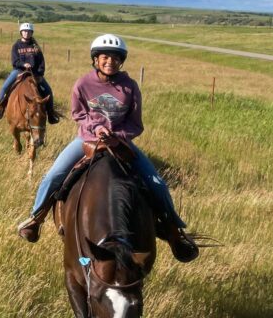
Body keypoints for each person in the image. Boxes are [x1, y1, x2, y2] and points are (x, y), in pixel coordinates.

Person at [16, 34, 199, 263]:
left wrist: (117, 136)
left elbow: (136, 124)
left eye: (115, 58)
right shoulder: (83, 84)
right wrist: (96, 128)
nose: (109, 61)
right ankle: (36, 219)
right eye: (104, 57)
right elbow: (78, 113)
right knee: (54, 175)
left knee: (157, 183)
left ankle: (174, 233)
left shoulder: (130, 87)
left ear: (121, 61)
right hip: (87, 140)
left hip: (120, 143)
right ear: (96, 59)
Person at [0, 23, 58, 124]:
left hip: (34, 73)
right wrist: (23, 64)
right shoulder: (16, 46)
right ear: (21, 32)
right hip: (19, 71)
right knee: (4, 87)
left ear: (32, 33)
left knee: (48, 90)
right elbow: (14, 61)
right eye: (25, 31)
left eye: (29, 31)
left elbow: (41, 62)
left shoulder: (35, 47)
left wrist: (40, 73)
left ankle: (51, 114)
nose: (26, 33)